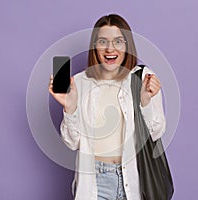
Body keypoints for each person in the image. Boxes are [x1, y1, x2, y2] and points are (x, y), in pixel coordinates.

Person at [48, 14, 166, 200]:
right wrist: (69, 108)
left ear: (127, 46)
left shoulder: (143, 78)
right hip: (95, 181)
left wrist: (145, 102)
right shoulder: (79, 82)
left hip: (133, 179)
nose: (110, 48)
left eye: (118, 41)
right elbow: (72, 143)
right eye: (103, 41)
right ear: (95, 46)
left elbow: (156, 133)